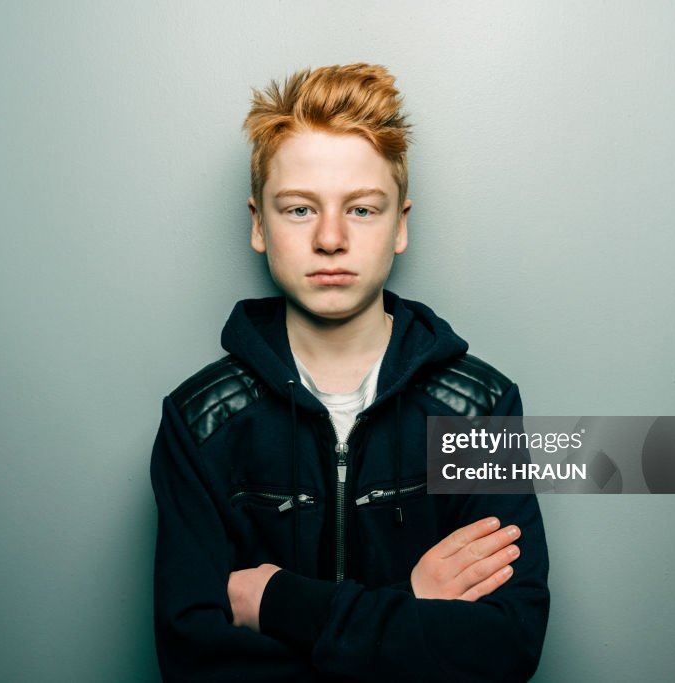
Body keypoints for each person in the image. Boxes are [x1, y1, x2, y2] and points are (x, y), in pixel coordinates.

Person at [150, 63, 550, 682]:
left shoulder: (480, 408)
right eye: (300, 209)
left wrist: (286, 604)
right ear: (259, 224)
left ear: (401, 225)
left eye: (361, 210)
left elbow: (504, 649)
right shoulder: (201, 421)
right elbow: (197, 665)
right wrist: (411, 603)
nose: (331, 238)